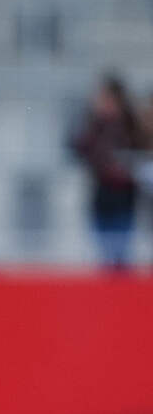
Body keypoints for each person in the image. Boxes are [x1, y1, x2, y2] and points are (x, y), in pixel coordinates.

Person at [70, 74, 142, 270]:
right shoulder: (94, 122)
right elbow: (80, 148)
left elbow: (137, 150)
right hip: (101, 191)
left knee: (120, 251)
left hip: (124, 194)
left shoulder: (130, 123)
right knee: (102, 252)